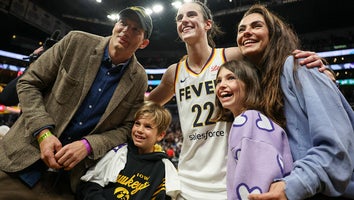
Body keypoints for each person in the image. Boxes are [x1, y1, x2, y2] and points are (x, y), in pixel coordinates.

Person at [146, 1, 326, 199]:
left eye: (191, 15)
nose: (184, 20)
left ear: (208, 24)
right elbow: (146, 105)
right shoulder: (174, 72)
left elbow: (275, 55)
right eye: (179, 18)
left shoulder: (230, 56)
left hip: (229, 177)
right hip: (188, 179)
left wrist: (314, 66)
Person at [0, 6, 152, 200]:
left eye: (135, 29)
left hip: (67, 184)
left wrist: (89, 145)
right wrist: (43, 133)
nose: (126, 31)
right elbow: (29, 83)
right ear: (115, 25)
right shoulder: (76, 41)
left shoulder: (139, 79)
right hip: (19, 164)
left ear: (144, 43)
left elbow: (127, 128)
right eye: (123, 23)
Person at [234, 4, 354, 200]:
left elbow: (336, 147)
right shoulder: (259, 87)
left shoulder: (297, 66)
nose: (247, 32)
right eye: (241, 29)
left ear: (274, 34)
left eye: (256, 26)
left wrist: (293, 186)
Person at [214, 60, 293, 200]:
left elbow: (254, 190)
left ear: (249, 83)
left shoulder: (249, 120)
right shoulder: (254, 120)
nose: (222, 86)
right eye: (218, 81)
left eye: (231, 78)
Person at [77, 101, 180, 200]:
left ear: (160, 135)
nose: (139, 130)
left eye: (147, 127)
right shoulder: (118, 152)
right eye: (137, 123)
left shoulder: (165, 168)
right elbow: (90, 185)